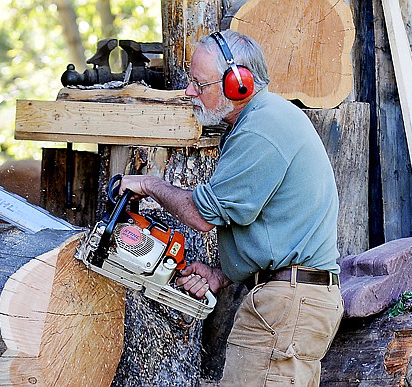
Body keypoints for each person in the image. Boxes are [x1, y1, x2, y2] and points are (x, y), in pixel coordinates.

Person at [120, 29, 344, 386]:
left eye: (199, 84)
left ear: (239, 84)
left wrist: (149, 184)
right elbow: (270, 225)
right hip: (290, 302)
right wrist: (221, 274)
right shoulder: (264, 121)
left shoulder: (262, 128)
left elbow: (201, 215)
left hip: (286, 307)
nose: (191, 92)